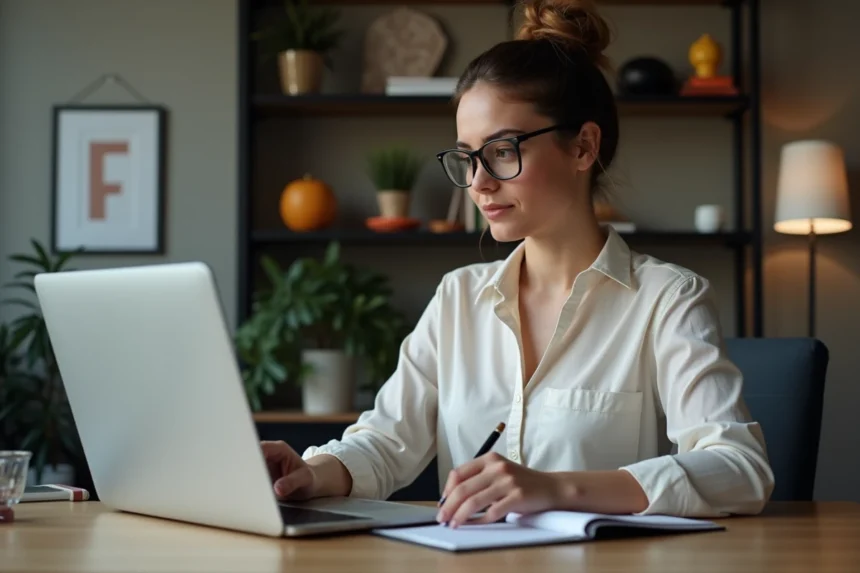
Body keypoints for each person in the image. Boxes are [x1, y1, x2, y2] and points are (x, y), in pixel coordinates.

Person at [261, 0, 774, 527]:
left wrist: (554, 488)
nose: (479, 182)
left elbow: (739, 469)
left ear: (583, 146)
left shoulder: (666, 298)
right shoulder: (458, 297)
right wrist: (310, 470)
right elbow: (385, 442)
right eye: (467, 156)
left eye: (503, 150)